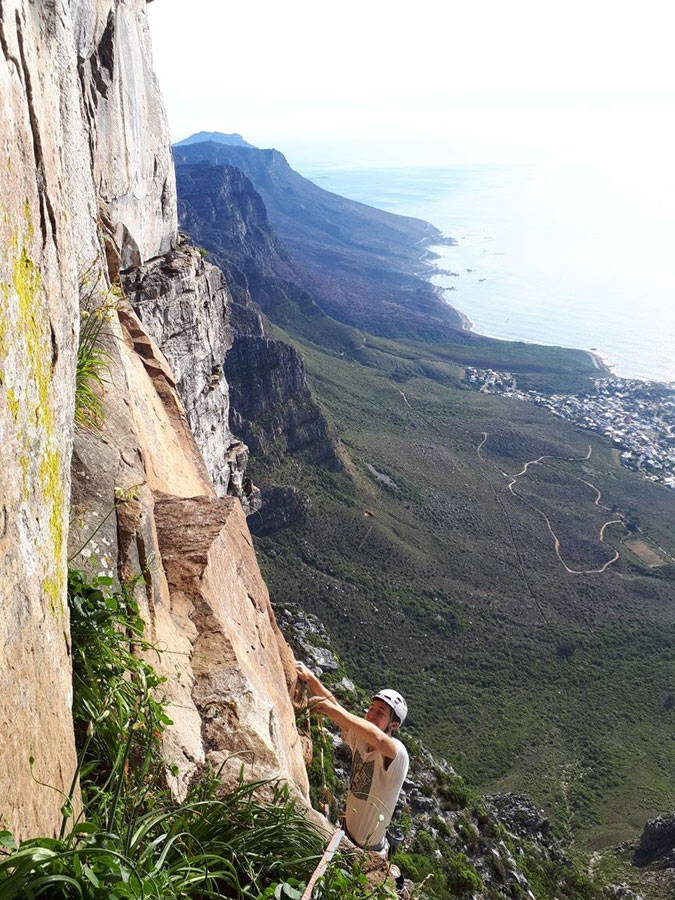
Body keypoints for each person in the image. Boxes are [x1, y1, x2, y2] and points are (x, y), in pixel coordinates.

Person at [295, 661, 409, 855]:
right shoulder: (361, 738)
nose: (371, 714)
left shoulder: (397, 753)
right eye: (371, 708)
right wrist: (311, 678)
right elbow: (337, 708)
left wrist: (332, 711)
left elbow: (379, 738)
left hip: (368, 851)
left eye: (380, 712)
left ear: (394, 725)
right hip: (345, 833)